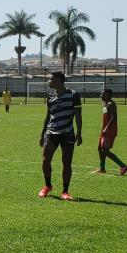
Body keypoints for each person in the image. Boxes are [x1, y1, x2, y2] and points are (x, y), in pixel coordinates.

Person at [38, 71, 82, 200]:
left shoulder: (73, 95)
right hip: (51, 133)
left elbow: (78, 115)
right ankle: (47, 186)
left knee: (66, 163)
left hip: (67, 133)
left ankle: (65, 191)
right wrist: (42, 134)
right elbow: (48, 116)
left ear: (58, 80)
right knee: (46, 160)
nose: (48, 81)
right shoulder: (50, 96)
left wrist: (79, 133)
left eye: (50, 79)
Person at [91, 88, 127, 175]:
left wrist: (106, 128)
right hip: (105, 129)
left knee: (105, 150)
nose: (101, 95)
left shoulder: (111, 104)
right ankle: (102, 168)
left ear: (108, 95)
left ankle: (123, 166)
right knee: (99, 148)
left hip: (109, 130)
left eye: (103, 94)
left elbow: (113, 117)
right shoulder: (106, 104)